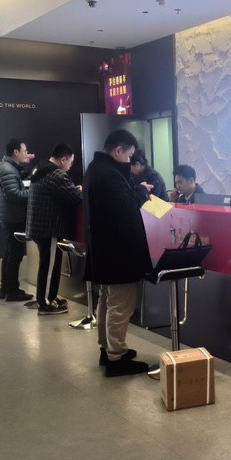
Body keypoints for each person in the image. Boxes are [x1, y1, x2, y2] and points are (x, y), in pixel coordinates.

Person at [83, 129, 153, 377]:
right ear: (118, 150)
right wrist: (141, 191)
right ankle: (116, 357)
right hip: (119, 251)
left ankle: (107, 348)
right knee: (120, 305)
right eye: (129, 155)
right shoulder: (109, 175)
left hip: (105, 250)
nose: (130, 160)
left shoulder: (95, 169)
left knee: (107, 300)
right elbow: (126, 208)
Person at [26, 143, 83, 316]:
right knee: (49, 266)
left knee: (48, 264)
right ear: (63, 159)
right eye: (70, 162)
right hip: (49, 228)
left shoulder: (40, 169)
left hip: (38, 226)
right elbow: (76, 197)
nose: (70, 166)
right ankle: (45, 304)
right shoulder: (57, 174)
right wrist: (80, 190)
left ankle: (50, 296)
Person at [0, 138, 35, 302]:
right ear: (16, 152)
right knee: (15, 255)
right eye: (24, 151)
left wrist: (25, 164)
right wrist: (34, 192)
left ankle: (5, 288)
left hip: (9, 216)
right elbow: (14, 195)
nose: (27, 153)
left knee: (10, 253)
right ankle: (12, 291)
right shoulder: (7, 170)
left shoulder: (7, 167)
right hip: (13, 217)